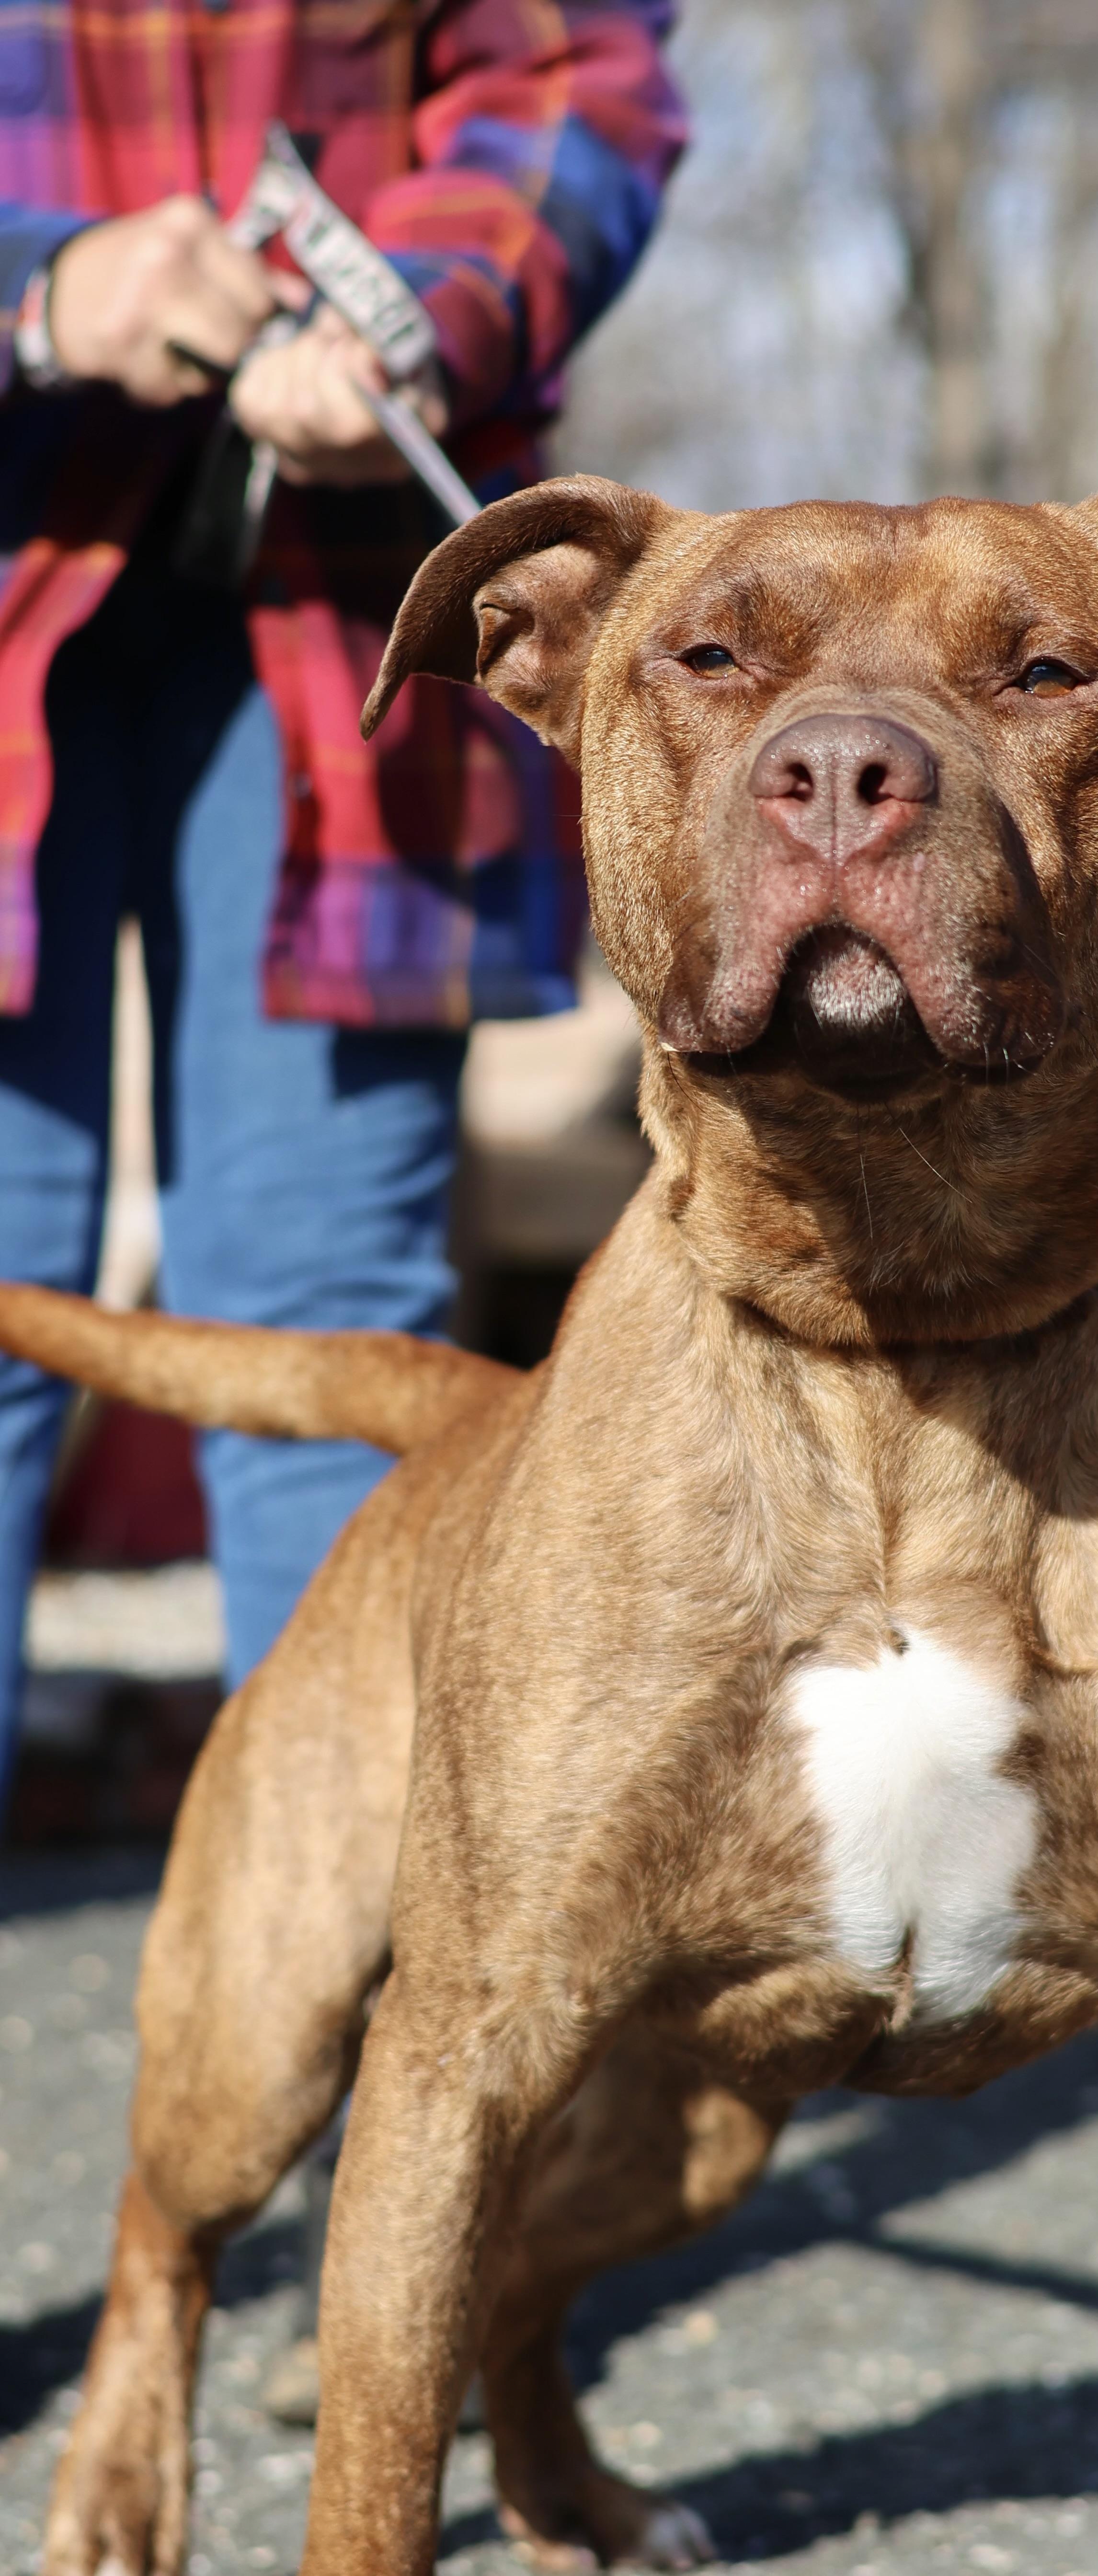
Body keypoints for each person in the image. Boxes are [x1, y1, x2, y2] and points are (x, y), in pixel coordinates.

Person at [0, 0, 686, 1810]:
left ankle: (337, 2027)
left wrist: (413, 305)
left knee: (322, 1323)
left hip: (345, 587)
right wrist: (35, 287)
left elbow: (572, 80)